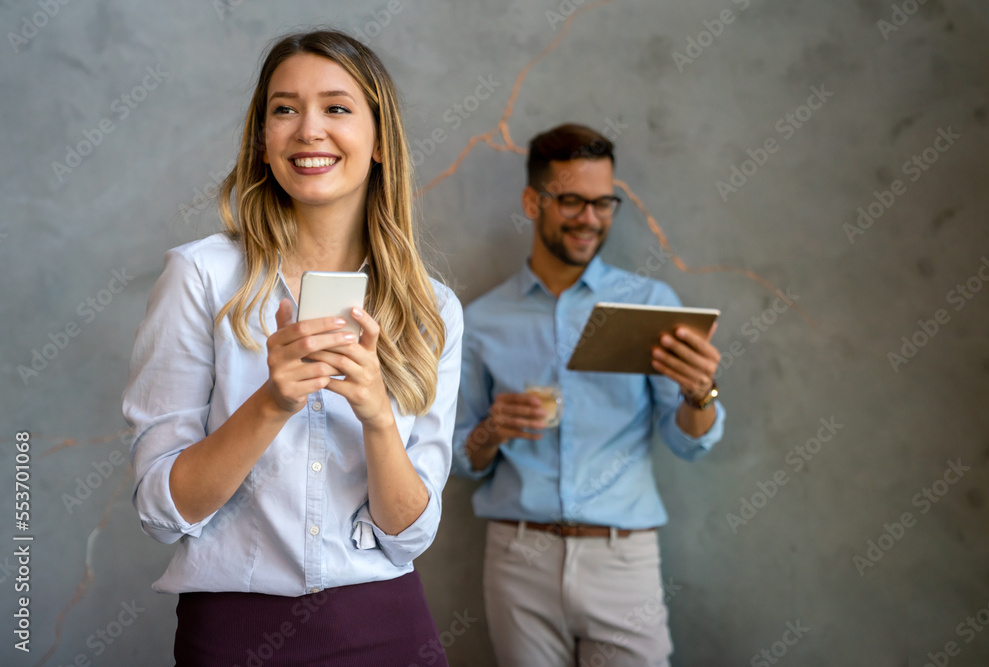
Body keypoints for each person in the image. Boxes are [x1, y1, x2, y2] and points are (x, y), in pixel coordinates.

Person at [122, 29, 462, 665]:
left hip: (387, 623)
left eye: (337, 107)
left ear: (381, 140)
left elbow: (407, 533)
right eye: (285, 109)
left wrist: (377, 417)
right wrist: (273, 402)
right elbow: (163, 510)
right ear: (262, 139)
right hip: (235, 630)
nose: (309, 129)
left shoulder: (432, 308)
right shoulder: (199, 277)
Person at [451, 123, 726, 667]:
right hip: (518, 557)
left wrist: (700, 394)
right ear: (533, 201)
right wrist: (492, 431)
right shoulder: (479, 320)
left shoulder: (650, 304)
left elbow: (689, 442)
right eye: (573, 201)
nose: (590, 219)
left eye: (604, 203)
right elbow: (460, 459)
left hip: (622, 559)